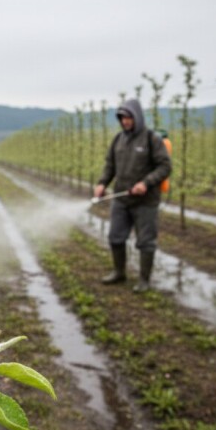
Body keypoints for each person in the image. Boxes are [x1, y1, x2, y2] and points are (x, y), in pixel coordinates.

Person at [93, 99, 171, 292]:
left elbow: (165, 167)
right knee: (115, 237)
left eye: (128, 117)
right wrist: (103, 183)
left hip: (145, 201)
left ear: (137, 117)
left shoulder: (151, 139)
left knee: (145, 242)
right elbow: (110, 165)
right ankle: (119, 272)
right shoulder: (118, 140)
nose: (125, 121)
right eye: (122, 118)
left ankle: (144, 280)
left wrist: (145, 183)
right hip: (121, 198)